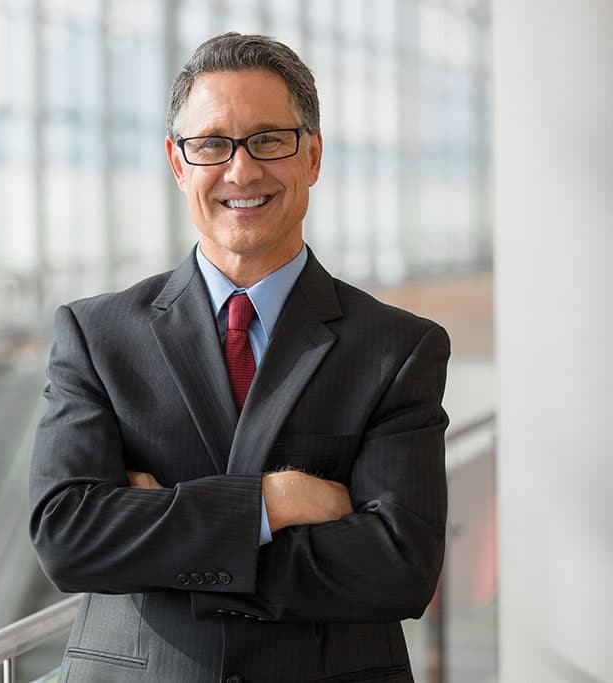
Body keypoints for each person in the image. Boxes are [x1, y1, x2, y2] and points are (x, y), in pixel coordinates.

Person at [29, 32, 449, 683]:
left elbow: (399, 567)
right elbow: (66, 535)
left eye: (268, 140)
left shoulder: (398, 349)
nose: (242, 170)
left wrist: (159, 535)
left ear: (311, 155)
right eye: (212, 145)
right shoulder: (96, 335)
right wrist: (270, 503)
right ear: (177, 162)